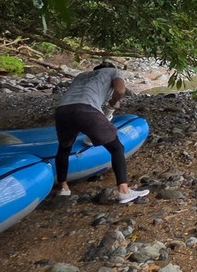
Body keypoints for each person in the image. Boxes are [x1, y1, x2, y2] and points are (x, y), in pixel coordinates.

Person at [54, 62, 149, 203]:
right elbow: (120, 90)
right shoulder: (113, 71)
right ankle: (124, 191)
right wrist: (114, 101)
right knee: (117, 147)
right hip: (86, 109)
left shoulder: (82, 75)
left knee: (64, 148)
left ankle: (63, 187)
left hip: (62, 110)